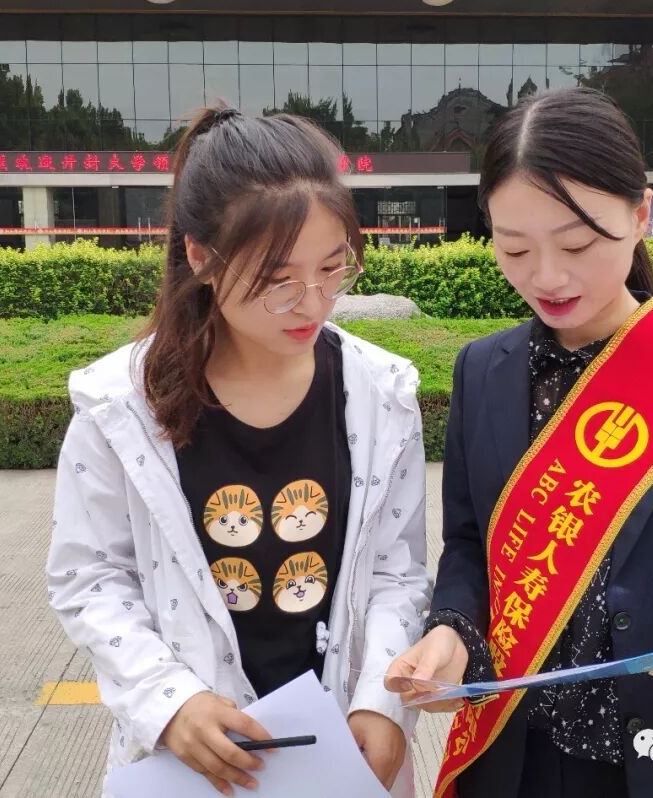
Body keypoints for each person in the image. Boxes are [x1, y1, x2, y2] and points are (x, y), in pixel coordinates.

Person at [386, 87, 653, 798]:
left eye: (578, 244)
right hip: (513, 764)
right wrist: (451, 630)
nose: (547, 277)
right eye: (514, 247)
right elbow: (468, 545)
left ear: (640, 213)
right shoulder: (482, 372)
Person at [47, 106, 430, 798]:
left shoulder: (382, 395)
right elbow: (89, 576)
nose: (312, 303)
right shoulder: (119, 407)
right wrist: (169, 703)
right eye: (278, 280)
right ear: (201, 257)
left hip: (340, 751)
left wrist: (381, 699)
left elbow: (395, 570)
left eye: (332, 268)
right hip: (192, 765)